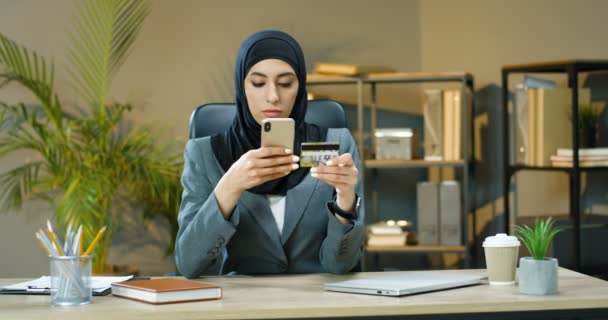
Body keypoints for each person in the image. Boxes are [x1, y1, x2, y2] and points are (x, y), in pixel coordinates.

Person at [175, 30, 364, 278]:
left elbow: (340, 266)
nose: (273, 96)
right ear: (241, 87)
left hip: (316, 304)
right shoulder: (205, 154)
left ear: (300, 87)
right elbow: (188, 265)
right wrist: (229, 187)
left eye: (285, 84)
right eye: (258, 83)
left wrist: (346, 201)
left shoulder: (331, 144)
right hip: (241, 307)